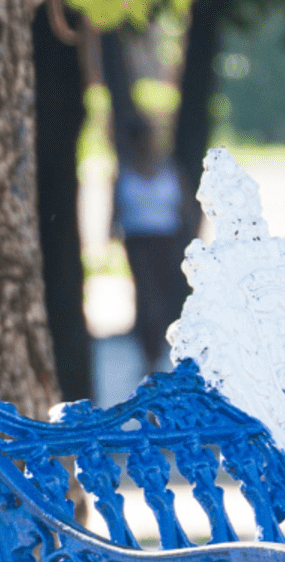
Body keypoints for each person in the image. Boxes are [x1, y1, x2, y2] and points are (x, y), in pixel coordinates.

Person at [114, 118, 184, 372]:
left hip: (166, 240)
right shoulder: (124, 171)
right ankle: (149, 354)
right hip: (138, 241)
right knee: (147, 297)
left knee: (162, 297)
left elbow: (185, 207)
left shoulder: (170, 170)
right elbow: (116, 209)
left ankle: (157, 351)